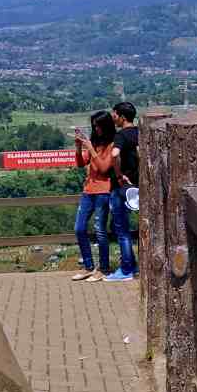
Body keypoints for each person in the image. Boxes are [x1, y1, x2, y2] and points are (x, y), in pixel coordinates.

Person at [72, 111, 116, 282]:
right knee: (79, 228)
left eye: (98, 126)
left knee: (100, 230)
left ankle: (103, 268)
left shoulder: (112, 145)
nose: (95, 129)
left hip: (103, 191)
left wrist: (90, 148)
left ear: (105, 126)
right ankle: (88, 266)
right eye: (94, 126)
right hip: (88, 191)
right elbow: (80, 163)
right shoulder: (95, 144)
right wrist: (78, 147)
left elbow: (104, 168)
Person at [102, 101, 139, 281]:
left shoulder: (121, 136)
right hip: (138, 186)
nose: (113, 118)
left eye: (115, 115)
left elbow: (115, 154)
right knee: (127, 227)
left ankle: (126, 270)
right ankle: (132, 265)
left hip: (122, 187)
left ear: (122, 117)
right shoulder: (140, 133)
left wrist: (118, 175)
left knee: (122, 230)